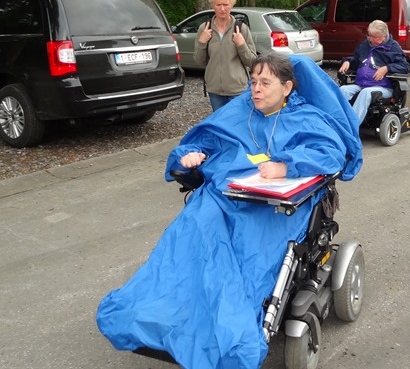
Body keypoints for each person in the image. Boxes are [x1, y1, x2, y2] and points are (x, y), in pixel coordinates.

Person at [96, 53, 362, 369]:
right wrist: (190, 156)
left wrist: (285, 165)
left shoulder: (307, 118)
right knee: (193, 231)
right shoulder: (238, 112)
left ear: (287, 87)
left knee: (247, 252)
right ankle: (161, 314)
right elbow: (201, 142)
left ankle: (229, 333)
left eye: (266, 83)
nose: (256, 89)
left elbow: (329, 153)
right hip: (222, 197)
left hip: (272, 210)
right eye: (253, 82)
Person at [194, 0, 257, 111]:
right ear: (212, 5)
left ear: (232, 5)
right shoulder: (205, 28)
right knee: (219, 127)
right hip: (215, 90)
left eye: (226, 4)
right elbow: (199, 61)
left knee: (237, 126)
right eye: (218, 5)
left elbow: (252, 61)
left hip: (238, 90)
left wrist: (241, 45)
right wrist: (202, 42)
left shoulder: (241, 28)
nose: (222, 9)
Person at [338, 20, 409, 124]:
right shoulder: (365, 45)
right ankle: (338, 121)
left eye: (375, 37)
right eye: (370, 36)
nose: (371, 40)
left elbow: (404, 66)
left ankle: (351, 126)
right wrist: (347, 61)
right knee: (342, 90)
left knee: (365, 93)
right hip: (362, 84)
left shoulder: (393, 47)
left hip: (383, 87)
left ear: (384, 36)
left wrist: (387, 68)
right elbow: (357, 60)